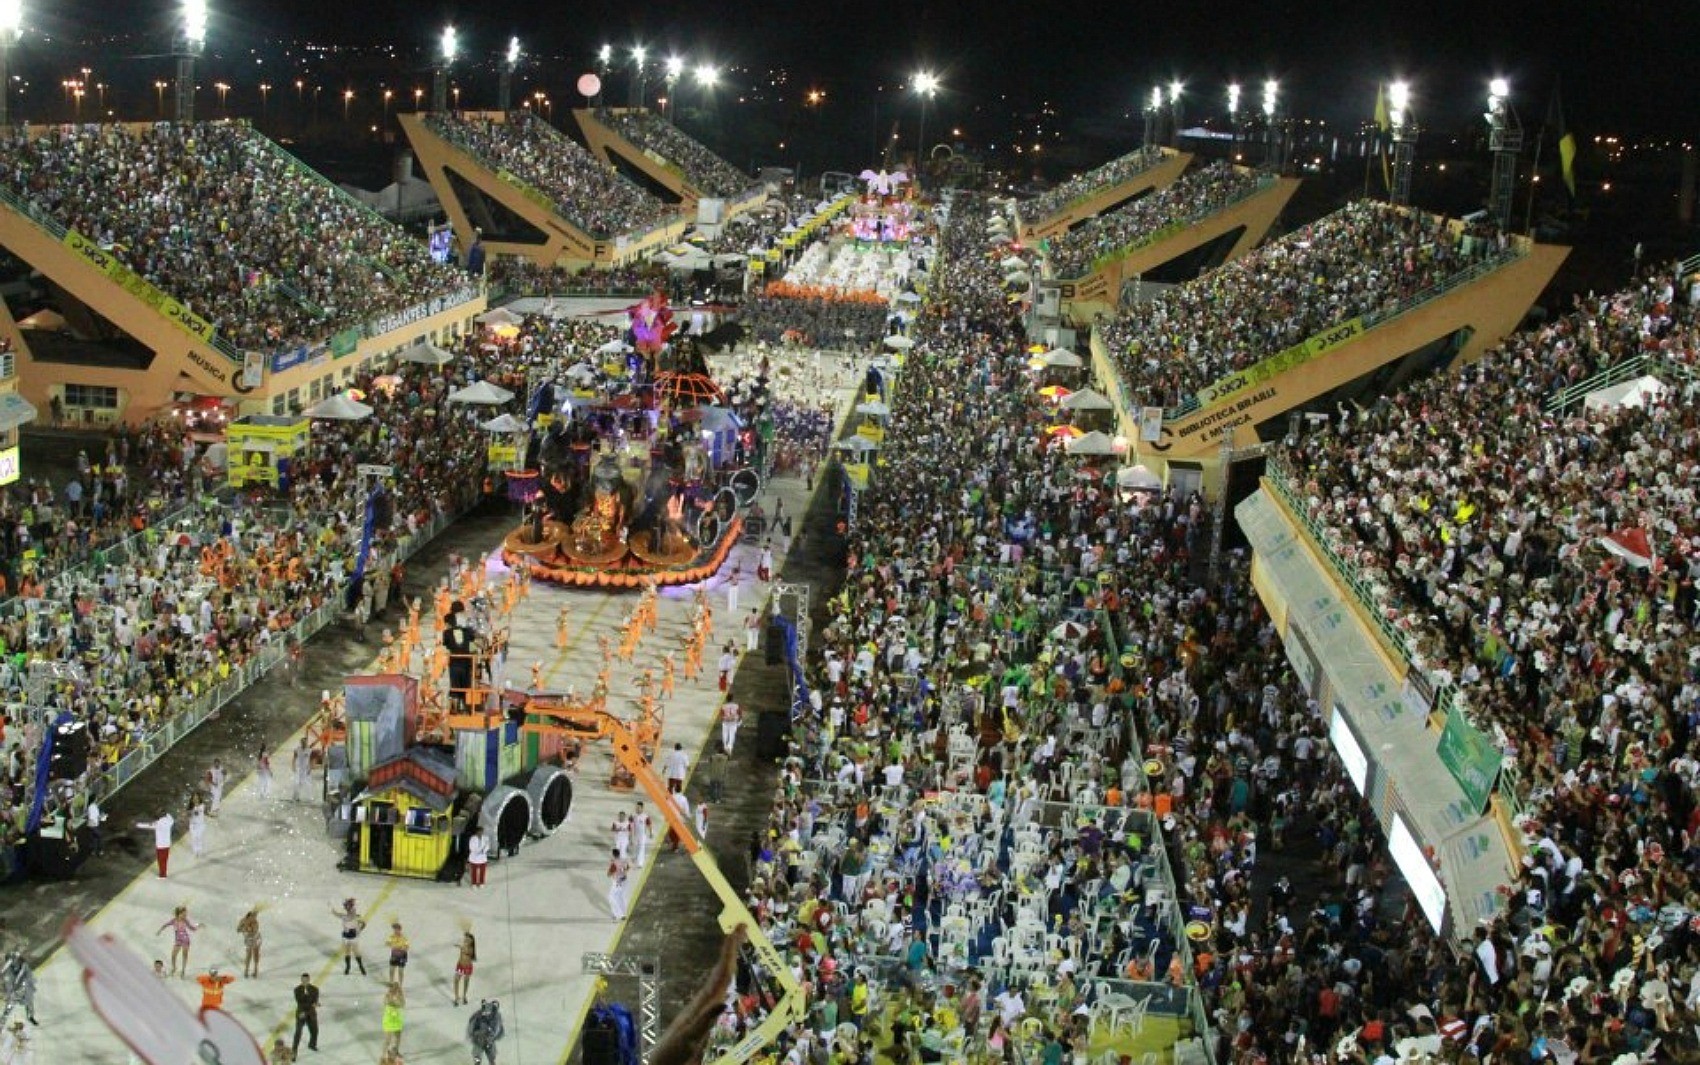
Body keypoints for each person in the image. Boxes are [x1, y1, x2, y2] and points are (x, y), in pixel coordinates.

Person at [157, 906, 199, 978]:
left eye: (185, 914)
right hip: (178, 940)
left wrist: (198, 925)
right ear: (179, 914)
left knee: (184, 955)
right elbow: (165, 925)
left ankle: (183, 970)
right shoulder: (174, 920)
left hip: (185, 939)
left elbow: (192, 928)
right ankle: (174, 968)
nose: (185, 915)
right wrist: (160, 931)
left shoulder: (185, 921)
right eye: (183, 914)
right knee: (173, 955)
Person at [0, 952, 36, 1026]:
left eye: (17, 959)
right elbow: (4, 969)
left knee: (29, 1001)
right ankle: (2, 1021)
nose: (16, 961)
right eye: (14, 959)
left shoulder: (24, 965)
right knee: (9, 1006)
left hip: (21, 987)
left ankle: (30, 1016)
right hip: (15, 990)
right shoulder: (10, 964)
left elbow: (20, 975)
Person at [333, 898, 367, 976]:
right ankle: (348, 967)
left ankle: (361, 966)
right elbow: (336, 914)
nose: (348, 909)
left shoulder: (356, 916)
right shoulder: (344, 916)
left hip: (353, 936)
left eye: (349, 907)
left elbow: (364, 923)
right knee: (347, 952)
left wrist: (359, 930)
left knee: (356, 952)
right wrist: (332, 909)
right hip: (345, 936)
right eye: (346, 907)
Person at [137, 811, 174, 878]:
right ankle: (164, 873)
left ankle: (162, 874)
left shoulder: (157, 823)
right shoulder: (169, 821)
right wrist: (167, 813)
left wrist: (138, 825)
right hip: (167, 844)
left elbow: (147, 826)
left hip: (160, 845)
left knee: (160, 860)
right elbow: (171, 818)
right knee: (165, 859)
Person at [467, 999, 504, 1065]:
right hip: (478, 1041)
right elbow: (471, 1027)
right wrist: (474, 1035)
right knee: (477, 1058)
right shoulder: (477, 1016)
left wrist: (493, 1036)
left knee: (492, 1058)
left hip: (490, 1042)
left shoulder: (496, 1016)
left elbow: (499, 1029)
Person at [292, 973, 320, 1055]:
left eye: (306, 980)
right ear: (301, 980)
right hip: (301, 1014)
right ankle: (294, 1051)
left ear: (309, 980)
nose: (304, 981)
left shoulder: (315, 989)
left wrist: (315, 1004)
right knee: (298, 1032)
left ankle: (312, 1044)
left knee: (314, 1031)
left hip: (311, 1014)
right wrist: (312, 1005)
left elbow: (315, 1001)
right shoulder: (297, 990)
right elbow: (299, 1003)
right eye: (303, 980)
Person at [381, 981, 405, 1057]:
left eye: (397, 988)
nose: (395, 989)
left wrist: (397, 999)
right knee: (388, 1040)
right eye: (394, 987)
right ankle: (383, 1056)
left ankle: (395, 1051)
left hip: (397, 1019)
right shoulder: (388, 995)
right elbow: (385, 1002)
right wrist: (394, 1001)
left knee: (398, 1037)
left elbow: (402, 1004)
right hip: (389, 1019)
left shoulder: (400, 995)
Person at [453, 930, 477, 1006]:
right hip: (460, 966)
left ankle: (464, 996)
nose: (466, 940)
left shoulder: (471, 948)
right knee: (456, 980)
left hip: (467, 967)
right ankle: (456, 998)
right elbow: (461, 945)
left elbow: (467, 952)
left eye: (468, 939)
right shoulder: (464, 944)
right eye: (465, 939)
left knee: (466, 982)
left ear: (471, 941)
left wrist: (461, 947)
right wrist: (466, 935)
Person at [236, 908, 262, 978]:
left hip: (256, 939)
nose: (255, 917)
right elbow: (238, 929)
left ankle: (255, 970)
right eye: (254, 916)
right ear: (249, 915)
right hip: (249, 940)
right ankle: (246, 970)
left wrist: (247, 929)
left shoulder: (255, 922)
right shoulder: (243, 921)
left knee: (255, 953)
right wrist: (243, 929)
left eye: (255, 916)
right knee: (248, 954)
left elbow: (254, 931)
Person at [607, 848, 630, 922]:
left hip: (617, 882)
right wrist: (623, 873)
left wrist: (611, 868)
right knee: (621, 897)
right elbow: (628, 868)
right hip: (625, 881)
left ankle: (618, 914)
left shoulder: (614, 863)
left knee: (611, 898)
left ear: (613, 855)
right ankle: (623, 914)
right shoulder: (624, 861)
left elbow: (609, 874)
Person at [386, 922, 410, 986]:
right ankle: (391, 982)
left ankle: (400, 983)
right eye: (394, 929)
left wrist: (403, 948)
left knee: (400, 970)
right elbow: (387, 943)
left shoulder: (404, 937)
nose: (395, 931)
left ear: (400, 929)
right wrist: (391, 945)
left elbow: (407, 947)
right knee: (391, 969)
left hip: (402, 956)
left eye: (396, 929)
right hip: (394, 955)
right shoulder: (391, 936)